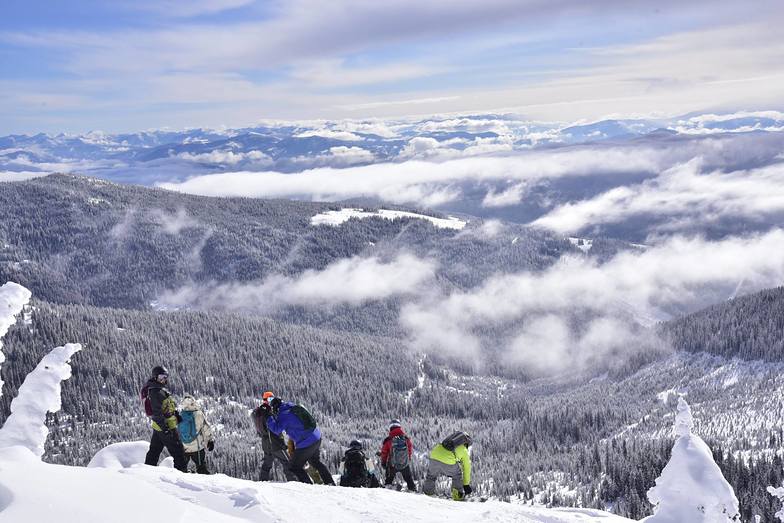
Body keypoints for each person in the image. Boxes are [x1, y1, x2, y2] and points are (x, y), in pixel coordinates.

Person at [266, 395, 335, 485]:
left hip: (306, 443)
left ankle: (308, 486)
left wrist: (268, 417)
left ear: (275, 407)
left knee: (294, 467)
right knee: (315, 462)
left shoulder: (284, 415)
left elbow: (276, 429)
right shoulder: (293, 407)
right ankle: (330, 482)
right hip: (316, 437)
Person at [141, 365, 187, 472]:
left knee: (154, 450)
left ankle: (147, 471)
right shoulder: (155, 392)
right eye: (161, 377)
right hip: (165, 426)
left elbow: (166, 406)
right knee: (179, 451)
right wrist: (166, 429)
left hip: (159, 427)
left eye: (165, 377)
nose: (164, 379)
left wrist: (176, 415)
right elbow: (157, 413)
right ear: (155, 377)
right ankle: (182, 475)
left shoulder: (158, 389)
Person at [252, 391, 296, 481]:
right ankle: (294, 482)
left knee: (267, 464)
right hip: (275, 443)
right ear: (265, 400)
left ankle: (262, 482)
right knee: (287, 463)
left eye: (272, 398)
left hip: (265, 443)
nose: (271, 401)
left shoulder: (258, 411)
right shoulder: (268, 411)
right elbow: (275, 427)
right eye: (270, 399)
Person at [422, 431, 473, 500]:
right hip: (448, 462)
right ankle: (457, 496)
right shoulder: (463, 449)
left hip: (434, 455)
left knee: (431, 476)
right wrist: (466, 484)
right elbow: (467, 467)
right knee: (457, 475)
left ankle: (427, 494)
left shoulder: (447, 442)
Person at [178, 394, 215, 474]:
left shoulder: (180, 415)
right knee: (201, 467)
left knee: (181, 469)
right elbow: (206, 428)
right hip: (197, 448)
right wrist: (210, 441)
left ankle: (179, 484)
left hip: (184, 447)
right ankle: (207, 484)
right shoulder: (198, 414)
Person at [379, 419, 416, 491]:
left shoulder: (388, 440)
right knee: (409, 479)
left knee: (388, 481)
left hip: (392, 465)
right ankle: (413, 490)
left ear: (390, 428)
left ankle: (386, 493)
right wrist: (408, 460)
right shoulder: (405, 439)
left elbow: (384, 453)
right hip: (405, 464)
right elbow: (409, 450)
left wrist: (383, 463)